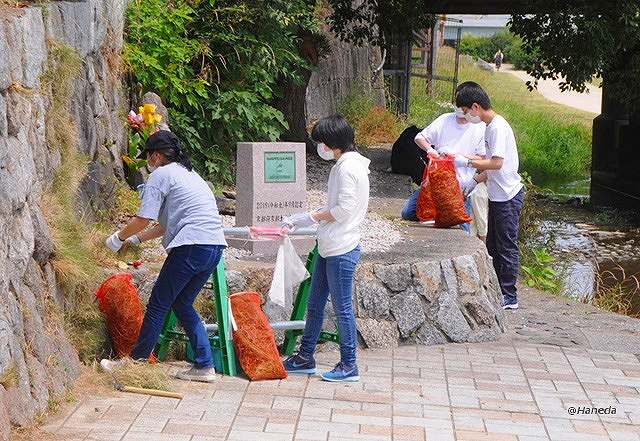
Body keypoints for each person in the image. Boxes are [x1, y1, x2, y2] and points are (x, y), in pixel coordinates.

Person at [100, 130, 227, 382]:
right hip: (213, 247)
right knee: (182, 303)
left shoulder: (160, 174)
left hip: (191, 247)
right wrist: (136, 239)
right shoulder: (190, 174)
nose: (148, 161)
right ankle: (204, 366)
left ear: (156, 155)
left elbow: (143, 218)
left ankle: (134, 363)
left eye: (148, 156)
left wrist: (117, 238)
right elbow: (163, 225)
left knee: (159, 303)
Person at [282, 114, 370, 382]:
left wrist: (311, 217)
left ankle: (349, 364)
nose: (320, 148)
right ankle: (305, 356)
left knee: (342, 308)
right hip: (329, 245)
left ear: (332, 142)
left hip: (342, 247)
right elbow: (338, 206)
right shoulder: (348, 164)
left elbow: (343, 210)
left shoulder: (347, 168)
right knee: (315, 304)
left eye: (321, 142)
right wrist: (307, 216)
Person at [453, 83, 525, 310]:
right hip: (497, 195)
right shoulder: (489, 126)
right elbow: (491, 168)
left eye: (466, 111)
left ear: (476, 107)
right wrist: (473, 182)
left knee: (506, 246)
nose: (465, 115)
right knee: (493, 245)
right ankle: (498, 291)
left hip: (507, 196)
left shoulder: (497, 127)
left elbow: (497, 162)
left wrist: (466, 161)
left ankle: (509, 296)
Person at [401, 83, 487, 236]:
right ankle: (436, 215)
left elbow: (482, 158)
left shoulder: (479, 127)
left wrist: (459, 158)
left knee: (461, 226)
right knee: (408, 212)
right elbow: (419, 137)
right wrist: (431, 150)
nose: (460, 109)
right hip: (436, 180)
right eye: (457, 103)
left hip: (460, 184)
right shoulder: (445, 120)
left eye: (463, 106)